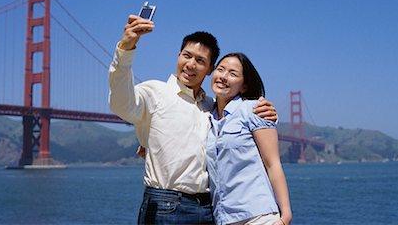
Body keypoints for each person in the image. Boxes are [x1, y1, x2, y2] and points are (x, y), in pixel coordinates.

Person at [108, 15, 278, 225]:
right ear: (178, 56)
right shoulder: (154, 92)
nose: (190, 64)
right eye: (186, 56)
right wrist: (125, 49)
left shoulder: (212, 107)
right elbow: (121, 104)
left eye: (200, 61)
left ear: (209, 70)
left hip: (210, 209)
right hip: (166, 206)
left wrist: (262, 111)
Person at [206, 52, 292, 225]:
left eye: (233, 74)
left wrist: (286, 216)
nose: (223, 76)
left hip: (258, 216)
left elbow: (272, 163)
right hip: (223, 218)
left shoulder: (254, 110)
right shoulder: (208, 118)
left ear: (244, 86)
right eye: (220, 69)